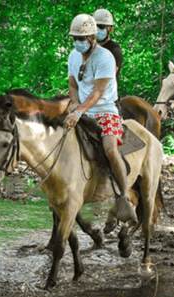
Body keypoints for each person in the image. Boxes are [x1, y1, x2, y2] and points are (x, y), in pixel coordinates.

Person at [64, 14, 137, 230]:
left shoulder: (105, 57)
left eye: (83, 38)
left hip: (105, 110)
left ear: (93, 37)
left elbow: (98, 91)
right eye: (75, 38)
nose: (78, 42)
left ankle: (123, 197)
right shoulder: (73, 56)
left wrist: (80, 111)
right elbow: (73, 85)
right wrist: (75, 104)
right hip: (84, 110)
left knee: (110, 148)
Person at [93, 9, 123, 84]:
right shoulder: (90, 49)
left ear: (110, 29)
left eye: (101, 26)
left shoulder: (114, 50)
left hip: (106, 94)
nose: (97, 29)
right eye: (95, 26)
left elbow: (107, 77)